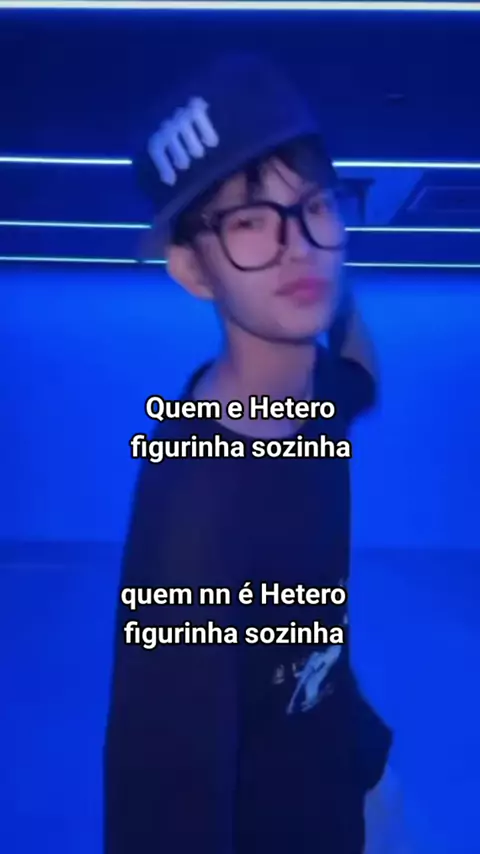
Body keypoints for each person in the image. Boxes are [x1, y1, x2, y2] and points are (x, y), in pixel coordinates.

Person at [104, 53, 402, 854]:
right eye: (247, 223)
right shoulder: (193, 517)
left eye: (314, 207)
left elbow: (361, 374)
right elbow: (162, 807)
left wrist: (338, 296)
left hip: (341, 783)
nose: (296, 247)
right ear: (192, 270)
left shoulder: (315, 397)